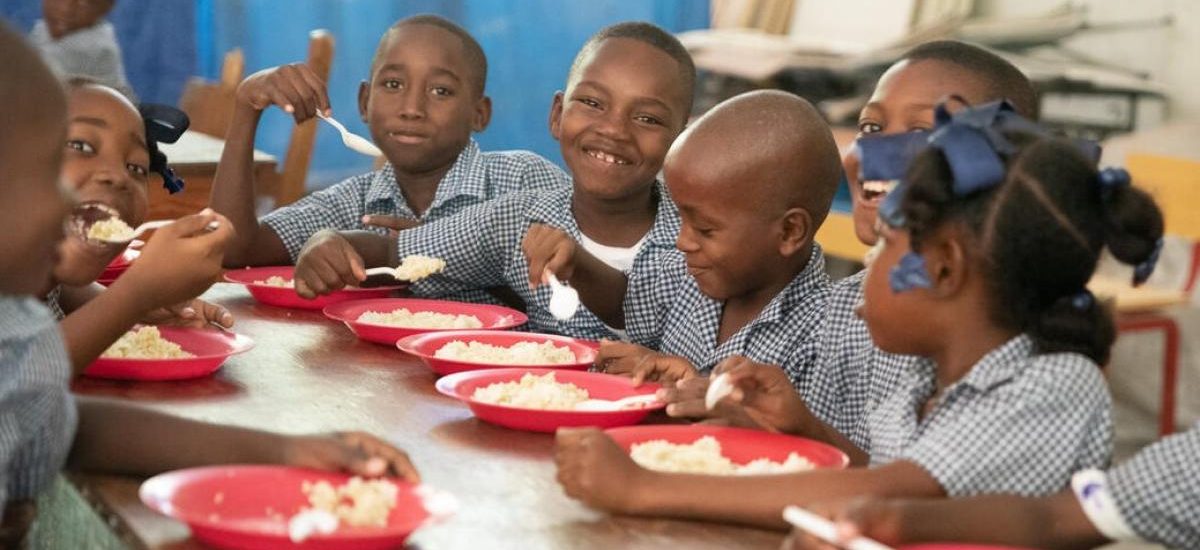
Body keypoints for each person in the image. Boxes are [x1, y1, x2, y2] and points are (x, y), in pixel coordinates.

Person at [553, 98, 1162, 530]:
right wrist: (804, 430)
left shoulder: (1049, 384)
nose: (865, 277)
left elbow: (889, 497)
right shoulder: (920, 380)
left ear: (944, 268)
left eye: (888, 248)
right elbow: (903, 482)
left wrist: (642, 487)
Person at [211, 14, 567, 269]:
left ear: (479, 114)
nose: (412, 109)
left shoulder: (524, 182)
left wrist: (435, 253)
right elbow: (235, 249)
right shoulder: (355, 205)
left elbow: (591, 299)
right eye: (393, 85)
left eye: (441, 91)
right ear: (365, 102)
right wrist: (247, 108)